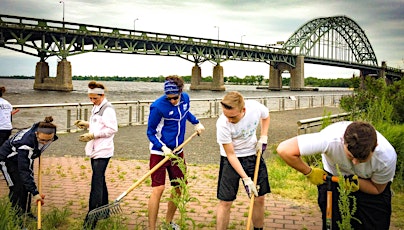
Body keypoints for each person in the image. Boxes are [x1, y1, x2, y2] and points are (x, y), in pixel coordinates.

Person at [276, 121, 397, 230]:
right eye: (351, 156)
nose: (355, 162)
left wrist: (357, 183)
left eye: (362, 159)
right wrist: (309, 172)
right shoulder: (329, 139)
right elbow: (284, 149)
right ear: (342, 141)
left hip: (370, 186)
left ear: (375, 147)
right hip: (333, 180)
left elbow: (377, 188)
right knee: (334, 224)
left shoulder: (386, 157)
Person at [146, 75, 205, 230]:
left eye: (174, 97)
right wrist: (163, 147)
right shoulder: (158, 107)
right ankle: (151, 227)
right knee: (158, 189)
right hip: (160, 153)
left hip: (178, 151)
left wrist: (196, 123)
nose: (172, 101)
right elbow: (150, 133)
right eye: (169, 98)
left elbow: (185, 113)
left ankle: (168, 222)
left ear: (180, 92)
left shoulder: (185, 98)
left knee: (179, 186)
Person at [216, 91, 271, 230]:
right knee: (225, 202)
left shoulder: (255, 107)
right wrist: (246, 179)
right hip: (230, 161)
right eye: (226, 115)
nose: (229, 120)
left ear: (243, 110)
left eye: (233, 117)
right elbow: (231, 155)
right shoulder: (222, 124)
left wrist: (263, 136)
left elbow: (266, 116)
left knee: (258, 198)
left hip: (252, 156)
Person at [75, 81, 118, 229]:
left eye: (95, 98)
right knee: (100, 179)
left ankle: (91, 219)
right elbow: (100, 124)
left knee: (96, 183)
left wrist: (93, 134)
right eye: (90, 98)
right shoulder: (96, 107)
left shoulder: (108, 109)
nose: (92, 101)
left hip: (103, 150)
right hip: (95, 149)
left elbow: (112, 129)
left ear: (102, 95)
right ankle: (105, 211)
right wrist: (87, 124)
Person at [0, 116, 57, 219]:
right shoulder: (26, 144)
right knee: (17, 188)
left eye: (49, 140)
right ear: (36, 134)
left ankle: (26, 212)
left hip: (23, 157)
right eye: (42, 140)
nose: (45, 143)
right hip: (7, 160)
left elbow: (27, 171)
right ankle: (16, 218)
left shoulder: (44, 129)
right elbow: (24, 171)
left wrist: (37, 152)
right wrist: (35, 193)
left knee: (26, 186)